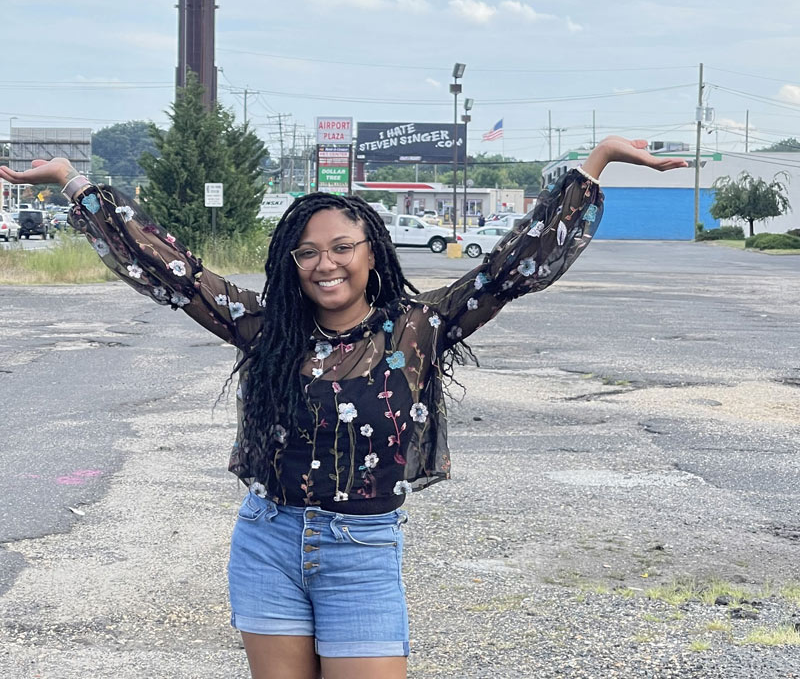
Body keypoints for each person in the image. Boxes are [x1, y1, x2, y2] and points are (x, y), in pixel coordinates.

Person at [0, 137, 686, 679]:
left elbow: (513, 266)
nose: (325, 264)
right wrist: (73, 182)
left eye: (341, 248)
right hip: (267, 541)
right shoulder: (266, 328)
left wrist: (593, 164)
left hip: (361, 550)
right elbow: (167, 269)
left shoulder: (417, 327)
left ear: (372, 251)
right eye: (308, 252)